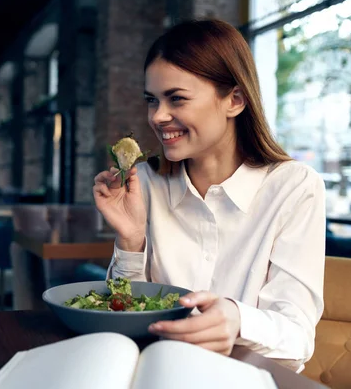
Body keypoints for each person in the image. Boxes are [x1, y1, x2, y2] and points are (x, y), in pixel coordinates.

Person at [93, 19, 325, 371]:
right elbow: (121, 315)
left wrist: (236, 319)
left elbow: (297, 338)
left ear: (234, 100)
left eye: (177, 99)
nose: (158, 116)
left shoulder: (294, 187)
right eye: (152, 100)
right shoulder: (145, 182)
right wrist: (130, 240)